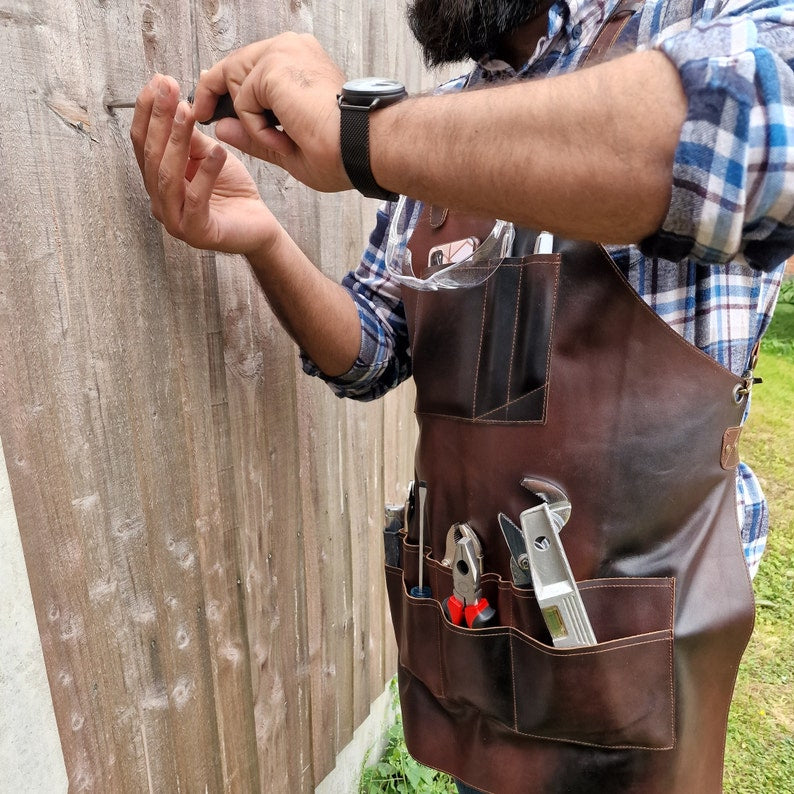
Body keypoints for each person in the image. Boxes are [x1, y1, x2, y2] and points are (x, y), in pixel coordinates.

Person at [130, 0, 792, 791]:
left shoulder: (691, 20)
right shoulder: (440, 125)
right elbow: (373, 351)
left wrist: (363, 136)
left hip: (644, 667)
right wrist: (261, 236)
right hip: (486, 645)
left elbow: (754, 139)